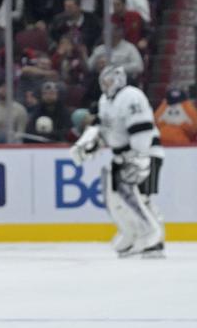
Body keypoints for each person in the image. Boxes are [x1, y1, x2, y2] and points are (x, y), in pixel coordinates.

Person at [71, 65, 165, 257]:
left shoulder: (132, 96)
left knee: (139, 199)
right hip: (121, 156)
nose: (106, 85)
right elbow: (105, 129)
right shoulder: (105, 100)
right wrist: (87, 145)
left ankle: (153, 237)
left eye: (110, 80)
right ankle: (131, 234)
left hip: (144, 153)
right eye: (103, 81)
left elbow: (142, 129)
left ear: (120, 79)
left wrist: (137, 156)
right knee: (116, 201)